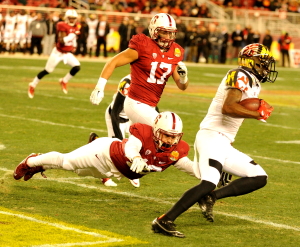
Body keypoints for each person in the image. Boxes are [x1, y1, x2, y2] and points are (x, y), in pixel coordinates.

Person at [152, 43, 278, 238]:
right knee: (209, 181)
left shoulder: (253, 81)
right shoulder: (239, 75)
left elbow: (231, 120)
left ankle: (211, 197)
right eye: (262, 63)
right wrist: (256, 114)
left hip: (222, 141)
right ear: (250, 62)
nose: (266, 68)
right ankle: (164, 220)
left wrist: (229, 145)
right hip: (212, 136)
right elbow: (228, 108)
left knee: (259, 177)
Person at [13, 112, 198, 192]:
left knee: (77, 171)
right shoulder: (143, 133)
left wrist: (212, 173)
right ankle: (31, 161)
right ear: (156, 131)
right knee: (66, 162)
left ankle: (40, 166)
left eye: (175, 137)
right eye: (166, 135)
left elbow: (189, 167)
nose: (171, 141)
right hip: (104, 153)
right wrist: (135, 157)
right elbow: (130, 147)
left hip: (115, 171)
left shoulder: (176, 150)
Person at [90, 13, 189, 127]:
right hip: (135, 102)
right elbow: (113, 62)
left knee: (139, 143)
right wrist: (99, 87)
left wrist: (184, 77)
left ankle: (101, 142)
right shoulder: (143, 45)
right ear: (154, 31)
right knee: (164, 128)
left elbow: (182, 86)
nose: (168, 37)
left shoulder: (176, 51)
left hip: (151, 105)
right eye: (164, 32)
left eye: (171, 33)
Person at [27, 10, 81, 98]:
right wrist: (72, 35)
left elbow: (74, 38)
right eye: (70, 18)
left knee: (77, 67)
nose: (72, 20)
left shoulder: (76, 26)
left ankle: (64, 80)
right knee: (48, 70)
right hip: (58, 52)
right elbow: (62, 41)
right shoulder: (61, 25)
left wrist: (74, 45)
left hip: (67, 53)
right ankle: (32, 85)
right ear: (67, 18)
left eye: (73, 18)